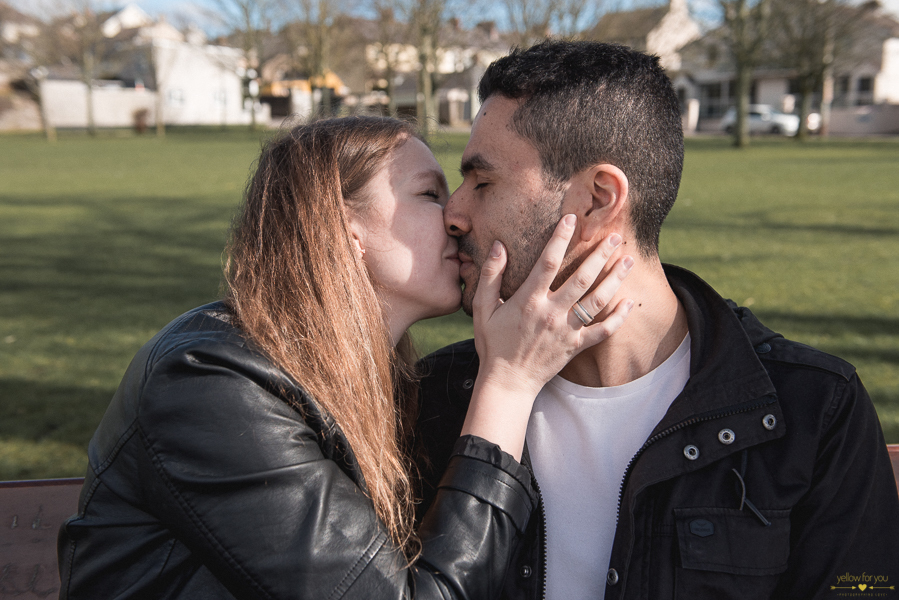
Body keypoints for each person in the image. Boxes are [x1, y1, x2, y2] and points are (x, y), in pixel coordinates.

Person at [56, 116, 636, 599]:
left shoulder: (376, 379)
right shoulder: (210, 384)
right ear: (342, 228)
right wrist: (507, 383)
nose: (458, 217)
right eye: (430, 194)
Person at [415, 41, 899, 600]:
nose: (452, 214)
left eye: (482, 182)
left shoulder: (813, 412)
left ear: (597, 199)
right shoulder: (436, 398)